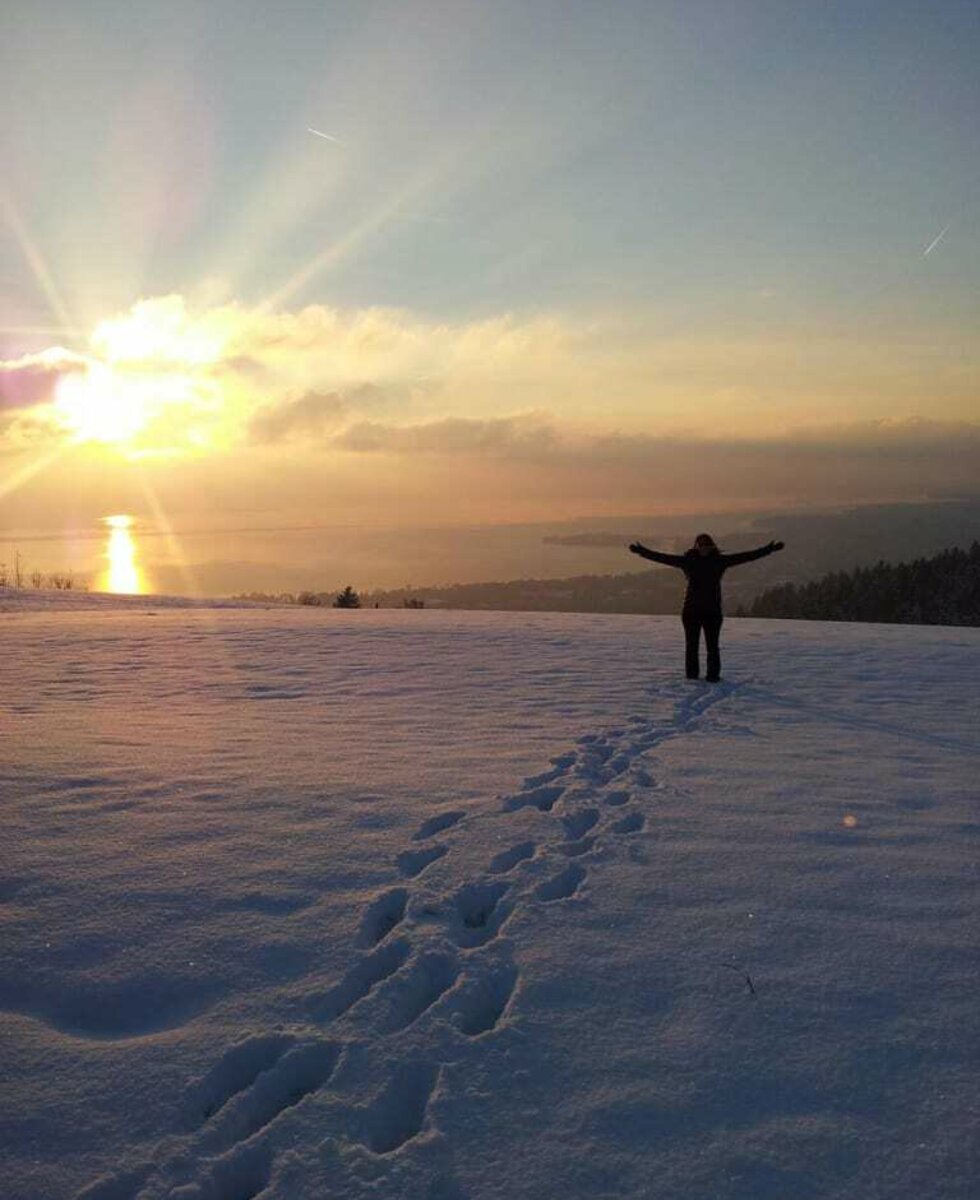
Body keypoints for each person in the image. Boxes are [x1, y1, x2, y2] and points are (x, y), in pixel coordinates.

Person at [628, 533, 785, 682]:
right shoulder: (689, 560)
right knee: (692, 647)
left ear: (711, 546)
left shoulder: (719, 560)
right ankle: (692, 678)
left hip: (711, 612)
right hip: (692, 611)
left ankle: (712, 677)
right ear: (696, 546)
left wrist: (769, 549)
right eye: (701, 544)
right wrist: (642, 551)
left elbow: (746, 556)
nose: (704, 547)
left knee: (712, 647)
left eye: (706, 544)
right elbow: (662, 558)